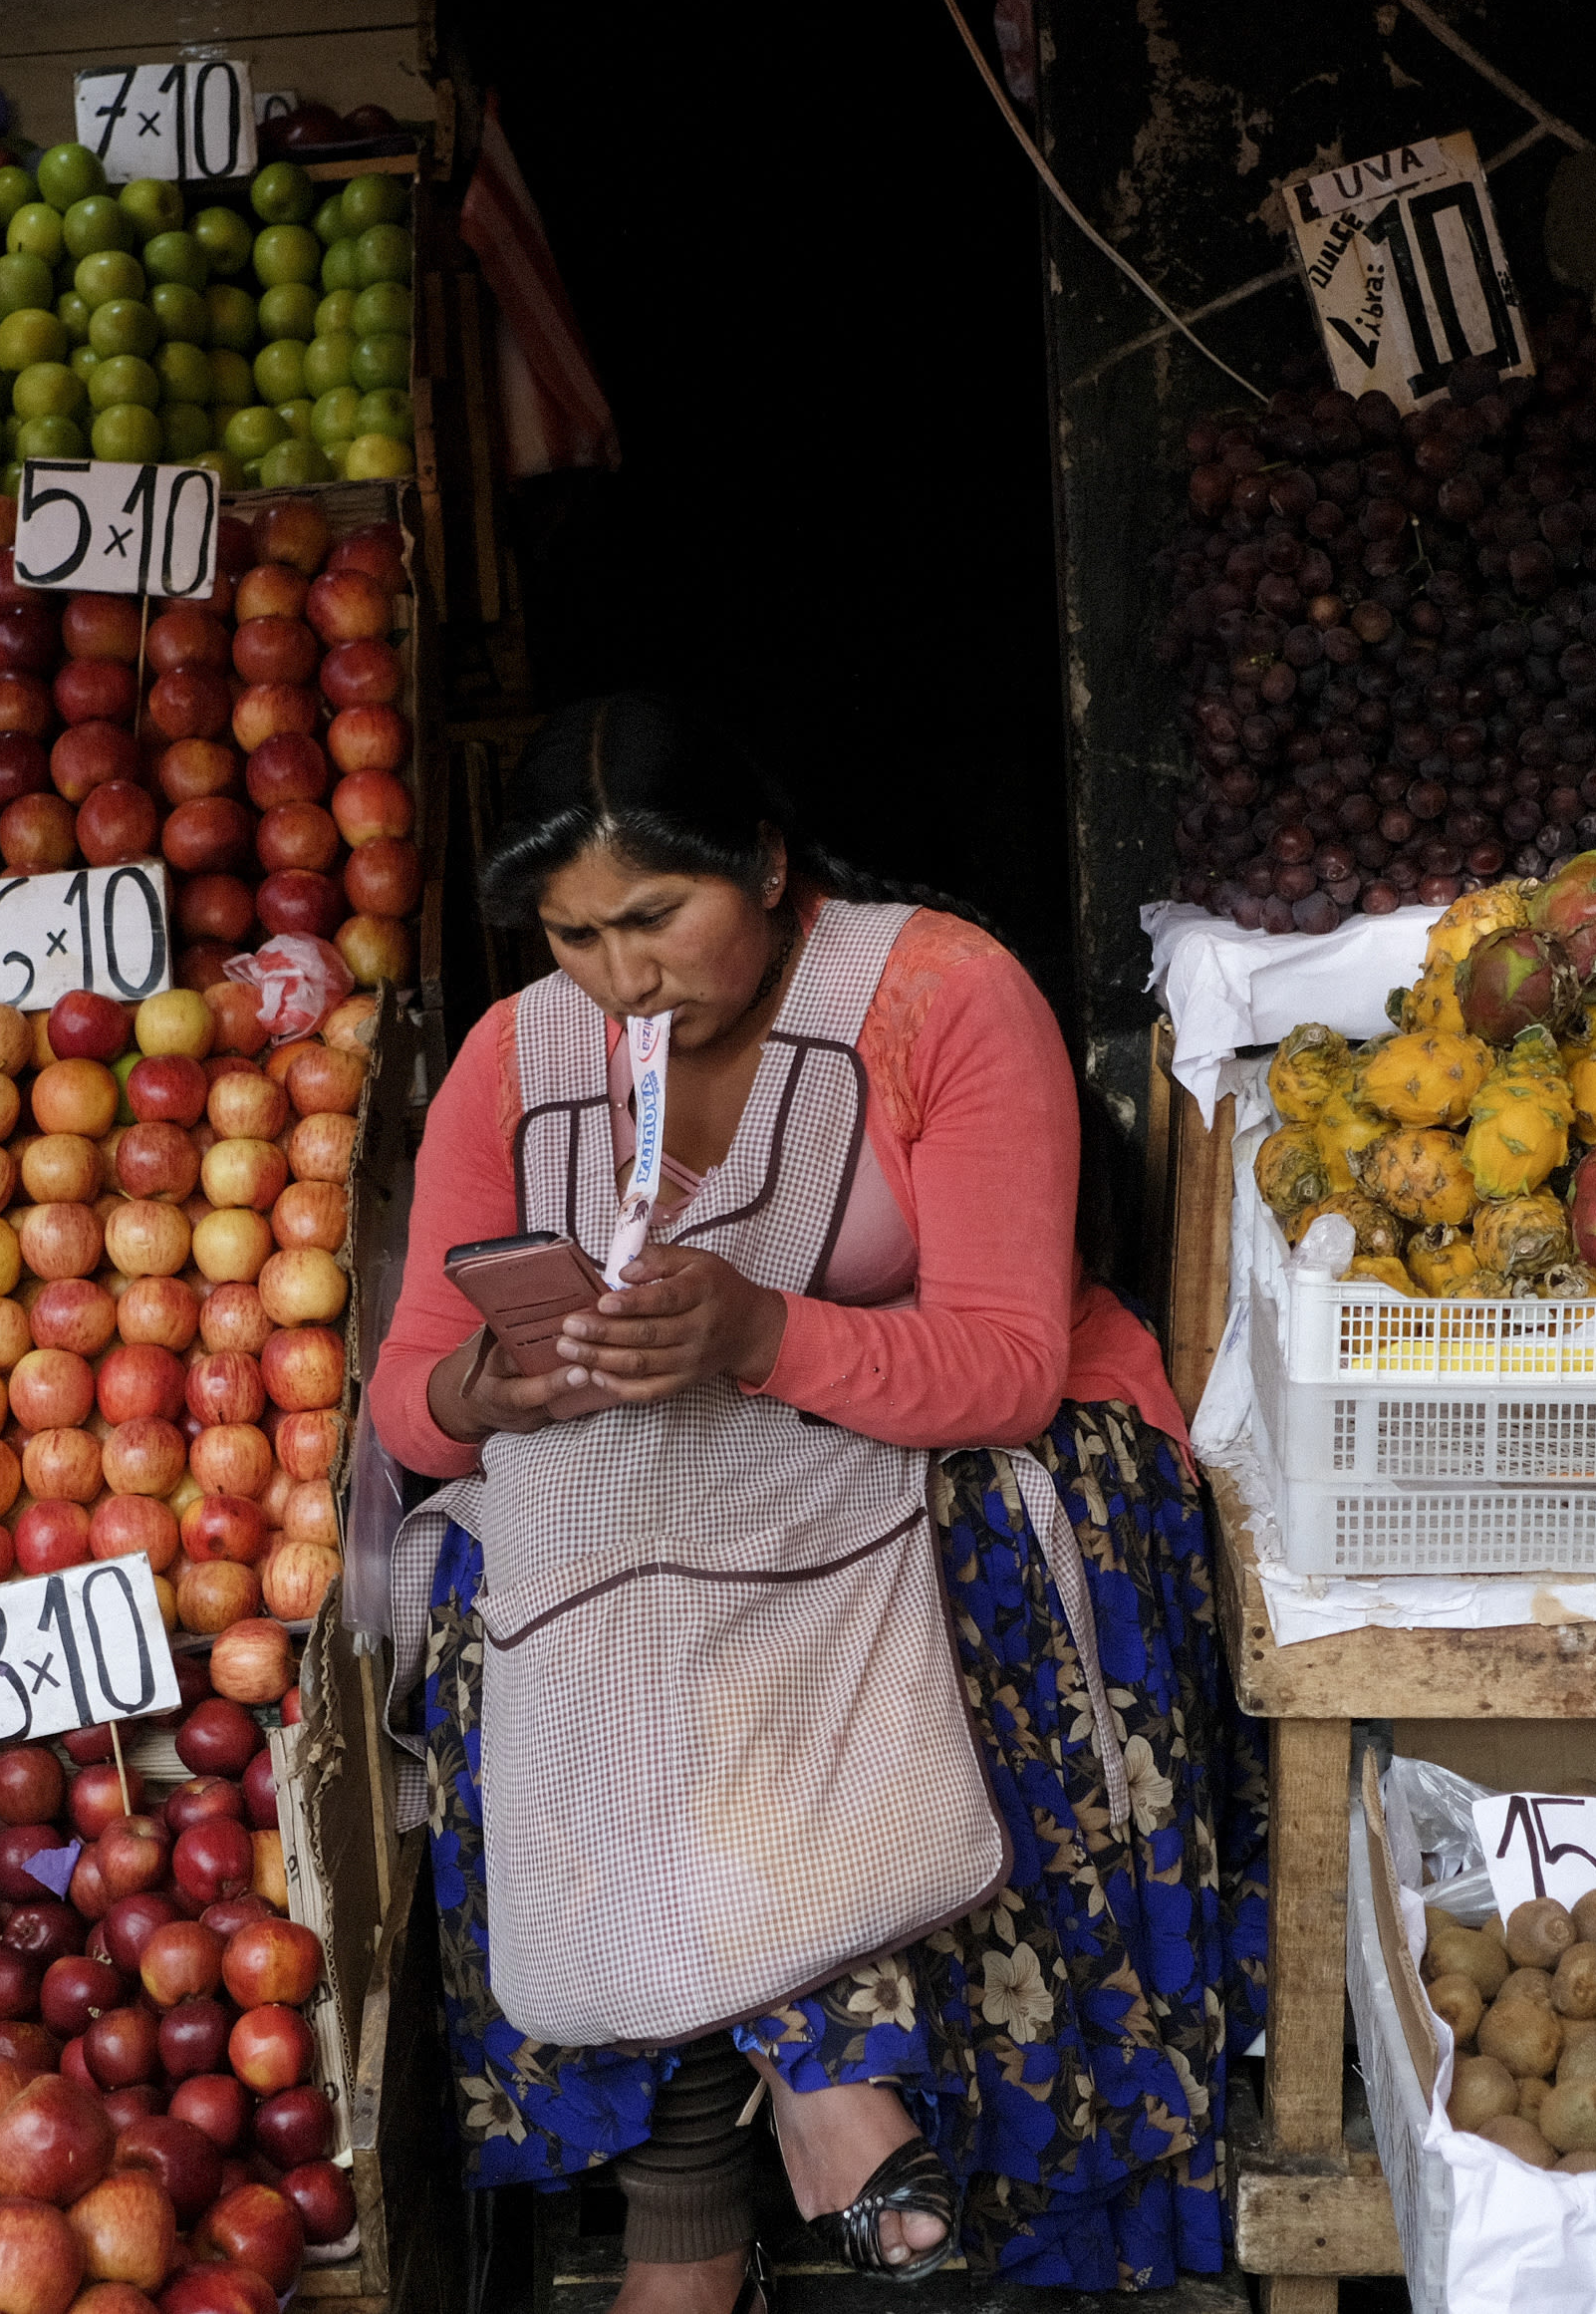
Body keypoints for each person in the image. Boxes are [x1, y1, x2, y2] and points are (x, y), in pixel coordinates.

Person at [372, 694, 1266, 2312]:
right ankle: (803, 2115)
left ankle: (722, 2186)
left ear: (769, 867)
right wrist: (492, 1391)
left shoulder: (939, 997)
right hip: (675, 1503)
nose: (622, 975)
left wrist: (758, 1328)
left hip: (952, 1448)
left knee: (872, 1556)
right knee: (518, 1562)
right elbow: (410, 1405)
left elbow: (1003, 1363)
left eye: (657, 917)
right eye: (574, 936)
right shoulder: (517, 1060)